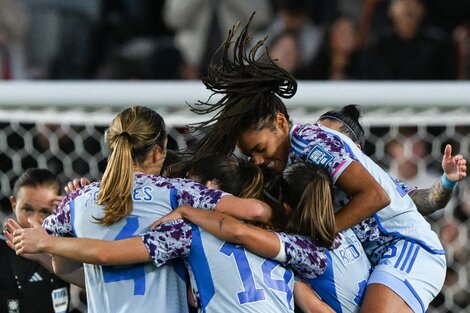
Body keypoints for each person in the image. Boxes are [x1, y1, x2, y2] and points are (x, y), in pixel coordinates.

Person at [187, 15, 451, 313]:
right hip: (362, 259)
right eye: (251, 155)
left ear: (281, 122)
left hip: (402, 247)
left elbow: (377, 196)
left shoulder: (311, 141)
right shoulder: (282, 166)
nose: (258, 161)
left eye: (260, 149)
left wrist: (320, 235)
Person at [6, 106, 275, 313]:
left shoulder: (77, 201)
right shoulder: (177, 193)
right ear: (158, 152)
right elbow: (255, 211)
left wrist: (50, 244)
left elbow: (64, 268)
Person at [6, 155, 332, 313]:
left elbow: (108, 255)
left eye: (189, 185)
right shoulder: (291, 246)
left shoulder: (186, 234)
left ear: (210, 190)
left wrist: (50, 240)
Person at [156, 161, 372, 313]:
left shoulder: (301, 249)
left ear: (285, 205)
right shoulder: (349, 229)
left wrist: (188, 211)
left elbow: (240, 233)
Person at [317, 104, 467, 216]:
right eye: (315, 133)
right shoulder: (301, 175)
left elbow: (428, 201)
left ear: (354, 149)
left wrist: (447, 181)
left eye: (331, 140)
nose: (319, 143)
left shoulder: (379, 182)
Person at [1, 168, 83, 313]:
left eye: (45, 212)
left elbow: (93, 282)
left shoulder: (65, 244)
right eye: (27, 209)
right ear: (14, 204)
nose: (34, 220)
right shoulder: (2, 248)